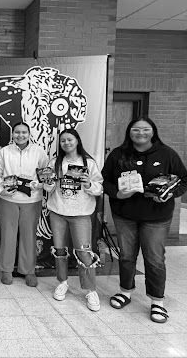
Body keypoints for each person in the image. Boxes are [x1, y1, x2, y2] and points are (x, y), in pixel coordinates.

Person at [102, 117, 187, 323]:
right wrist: (117, 194)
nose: (140, 133)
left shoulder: (167, 154)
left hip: (156, 217)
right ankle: (125, 291)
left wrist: (170, 194)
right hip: (125, 216)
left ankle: (157, 301)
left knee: (155, 259)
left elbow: (183, 181)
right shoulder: (119, 154)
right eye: (136, 129)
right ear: (129, 132)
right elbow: (104, 180)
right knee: (127, 256)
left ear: (153, 131)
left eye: (145, 129)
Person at [43, 128, 103, 311]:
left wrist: (88, 184)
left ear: (77, 140)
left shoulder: (89, 163)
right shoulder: (54, 162)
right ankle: (62, 282)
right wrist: (50, 183)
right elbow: (47, 188)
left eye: (70, 139)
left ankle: (90, 289)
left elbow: (99, 188)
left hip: (81, 214)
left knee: (84, 252)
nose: (66, 143)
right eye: (63, 141)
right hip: (58, 211)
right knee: (60, 250)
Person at [0, 121, 48, 286]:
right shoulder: (4, 152)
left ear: (29, 134)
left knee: (29, 236)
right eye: (17, 132)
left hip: (32, 200)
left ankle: (29, 270)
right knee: (8, 235)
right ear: (12, 134)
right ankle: (6, 270)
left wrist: (38, 184)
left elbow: (46, 174)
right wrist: (0, 190)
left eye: (24, 132)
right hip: (8, 200)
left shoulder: (38, 151)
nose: (20, 135)